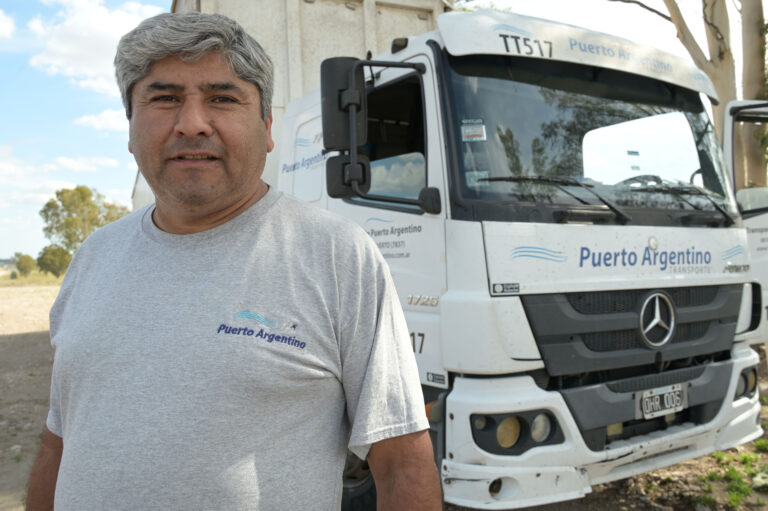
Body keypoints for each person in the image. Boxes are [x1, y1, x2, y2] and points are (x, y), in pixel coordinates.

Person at [26, 11, 441, 511]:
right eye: (164, 98)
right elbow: (59, 440)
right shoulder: (94, 256)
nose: (192, 124)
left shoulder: (337, 257)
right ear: (130, 129)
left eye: (222, 98)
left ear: (267, 127)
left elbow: (402, 464)